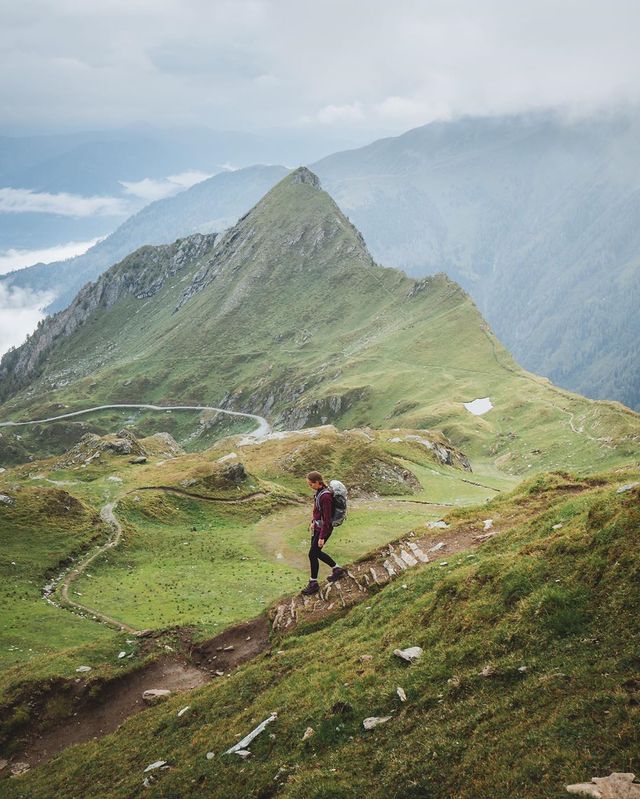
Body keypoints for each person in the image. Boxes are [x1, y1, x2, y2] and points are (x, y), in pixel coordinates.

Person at [301, 470, 346, 595]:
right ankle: (337, 569)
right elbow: (317, 511)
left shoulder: (326, 497)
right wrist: (312, 522)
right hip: (317, 527)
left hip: (323, 530)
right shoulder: (319, 492)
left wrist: (322, 537)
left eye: (311, 484)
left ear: (318, 482)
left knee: (312, 554)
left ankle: (313, 583)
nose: (310, 487)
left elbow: (327, 520)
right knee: (315, 553)